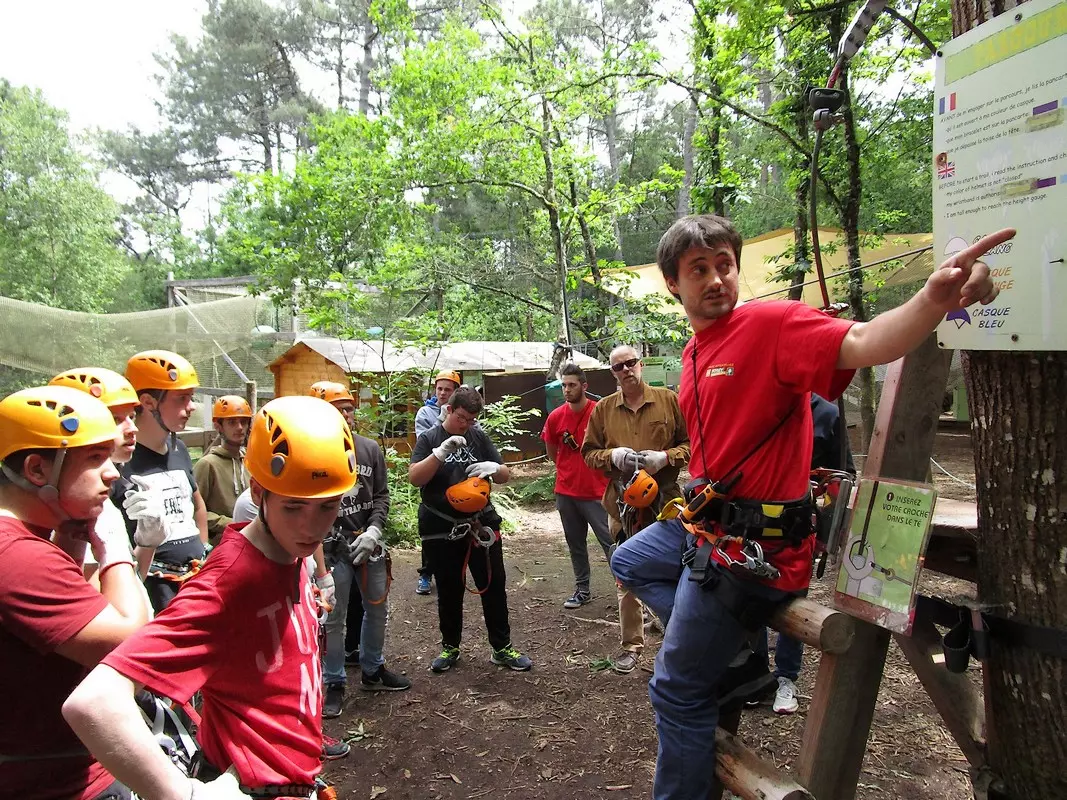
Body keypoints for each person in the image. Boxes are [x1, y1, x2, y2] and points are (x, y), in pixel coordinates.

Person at [610, 213, 1010, 799]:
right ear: (674, 283)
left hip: (759, 554)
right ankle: (735, 653)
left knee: (675, 688)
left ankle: (716, 670)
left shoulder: (772, 324)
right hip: (709, 531)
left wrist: (932, 300)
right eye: (699, 269)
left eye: (725, 264)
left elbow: (866, 341)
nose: (717, 278)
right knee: (630, 559)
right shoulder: (693, 356)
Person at [63, 395, 359, 799]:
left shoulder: (289, 552)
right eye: (293, 508)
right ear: (258, 492)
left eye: (327, 507)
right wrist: (182, 793)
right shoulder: (228, 584)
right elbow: (94, 702)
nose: (312, 527)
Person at [0, 385, 150, 799]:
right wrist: (114, 548)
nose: (112, 473)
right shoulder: (18, 555)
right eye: (94, 458)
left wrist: (71, 545)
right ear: (36, 469)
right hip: (59, 787)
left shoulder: (26, 541)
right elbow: (132, 646)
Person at [581, 345, 690, 675]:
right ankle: (631, 645)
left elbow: (691, 444)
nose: (626, 370)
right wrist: (613, 456)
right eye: (619, 367)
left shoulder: (669, 400)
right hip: (623, 504)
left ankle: (678, 636)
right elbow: (589, 453)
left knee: (677, 568)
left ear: (640, 364)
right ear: (613, 373)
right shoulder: (603, 410)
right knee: (625, 572)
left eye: (630, 363)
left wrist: (666, 458)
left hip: (666, 502)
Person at [408, 385, 532, 673]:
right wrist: (440, 453)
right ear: (449, 410)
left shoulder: (478, 436)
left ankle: (501, 647)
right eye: (461, 418)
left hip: (479, 522)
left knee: (494, 583)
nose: (465, 424)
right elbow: (415, 478)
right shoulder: (430, 438)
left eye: (471, 419)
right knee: (449, 588)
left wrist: (493, 468)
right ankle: (450, 646)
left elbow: (504, 474)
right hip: (442, 525)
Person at [309, 381, 412, 721]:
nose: (346, 414)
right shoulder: (312, 454)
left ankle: (372, 669)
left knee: (377, 610)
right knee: (334, 618)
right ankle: (334, 681)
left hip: (369, 542)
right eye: (337, 409)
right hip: (332, 548)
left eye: (348, 408)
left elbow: (381, 494)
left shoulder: (368, 449)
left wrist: (374, 530)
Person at [753, 392, 857, 715]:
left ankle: (786, 676)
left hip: (799, 526)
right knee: (749, 593)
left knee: (792, 597)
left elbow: (844, 475)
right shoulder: (761, 401)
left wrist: (827, 524)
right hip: (754, 520)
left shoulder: (826, 413)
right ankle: (756, 675)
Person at [120, 350, 209, 612]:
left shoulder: (179, 449)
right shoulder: (122, 462)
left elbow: (197, 504)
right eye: (182, 398)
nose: (191, 406)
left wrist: (203, 549)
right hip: (154, 591)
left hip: (193, 583)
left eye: (191, 397)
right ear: (148, 402)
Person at [541, 363, 612, 609]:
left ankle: (626, 592)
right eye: (564, 385)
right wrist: (568, 470)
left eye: (572, 385)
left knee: (611, 542)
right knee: (575, 544)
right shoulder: (555, 417)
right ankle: (582, 590)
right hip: (566, 492)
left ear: (584, 386)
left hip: (597, 492)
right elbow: (552, 451)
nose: (567, 389)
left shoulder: (599, 413)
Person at [413, 369, 462, 595]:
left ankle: (455, 571)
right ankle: (426, 573)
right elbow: (423, 442)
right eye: (439, 388)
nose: (442, 393)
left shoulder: (461, 411)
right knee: (431, 529)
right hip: (432, 475)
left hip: (456, 476)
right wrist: (441, 421)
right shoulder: (425, 412)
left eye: (447, 389)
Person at [192, 395, 252, 545]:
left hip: (252, 540)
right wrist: (230, 523)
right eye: (232, 422)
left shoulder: (251, 462)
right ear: (218, 426)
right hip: (221, 543)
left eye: (243, 422)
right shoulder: (207, 465)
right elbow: (192, 510)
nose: (240, 427)